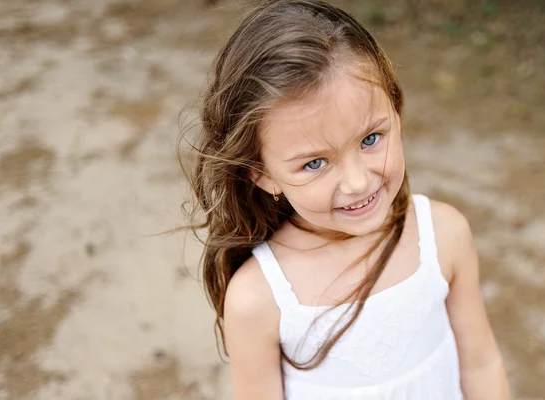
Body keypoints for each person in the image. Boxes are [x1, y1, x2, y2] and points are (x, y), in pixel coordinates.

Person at [182, 0, 510, 398]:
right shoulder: (259, 298)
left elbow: (481, 364)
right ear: (263, 173)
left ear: (396, 109)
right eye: (315, 163)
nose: (357, 182)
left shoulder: (444, 235)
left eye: (371, 139)